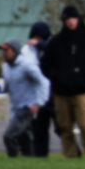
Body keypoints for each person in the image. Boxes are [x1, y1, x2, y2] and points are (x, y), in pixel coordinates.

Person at [41, 5, 85, 159]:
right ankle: (70, 155)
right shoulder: (56, 42)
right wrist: (56, 76)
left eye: (74, 18)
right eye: (68, 19)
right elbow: (45, 64)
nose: (71, 22)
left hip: (82, 91)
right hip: (61, 92)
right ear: (64, 21)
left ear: (78, 19)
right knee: (65, 126)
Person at [0, 38, 49, 157]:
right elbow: (9, 87)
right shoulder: (6, 67)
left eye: (7, 50)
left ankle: (13, 162)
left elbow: (44, 83)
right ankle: (29, 163)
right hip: (15, 109)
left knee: (9, 137)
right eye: (2, 50)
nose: (4, 53)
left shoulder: (27, 65)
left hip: (27, 107)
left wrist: (39, 103)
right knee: (24, 139)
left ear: (14, 51)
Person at [22, 21, 57, 157]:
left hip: (54, 93)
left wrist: (39, 44)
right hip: (37, 95)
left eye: (42, 37)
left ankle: (72, 153)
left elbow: (53, 49)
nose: (39, 40)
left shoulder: (52, 46)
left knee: (61, 127)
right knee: (39, 129)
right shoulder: (27, 51)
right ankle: (40, 156)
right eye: (36, 37)